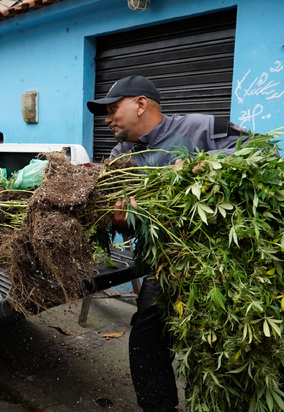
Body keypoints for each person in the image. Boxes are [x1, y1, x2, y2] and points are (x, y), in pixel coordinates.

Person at [86, 76, 250, 412]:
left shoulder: (201, 128)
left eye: (113, 109)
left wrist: (211, 169)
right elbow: (131, 227)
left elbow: (261, 155)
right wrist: (121, 220)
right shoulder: (120, 157)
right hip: (167, 265)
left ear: (141, 104)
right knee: (146, 342)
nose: (107, 119)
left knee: (227, 348)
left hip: (222, 261)